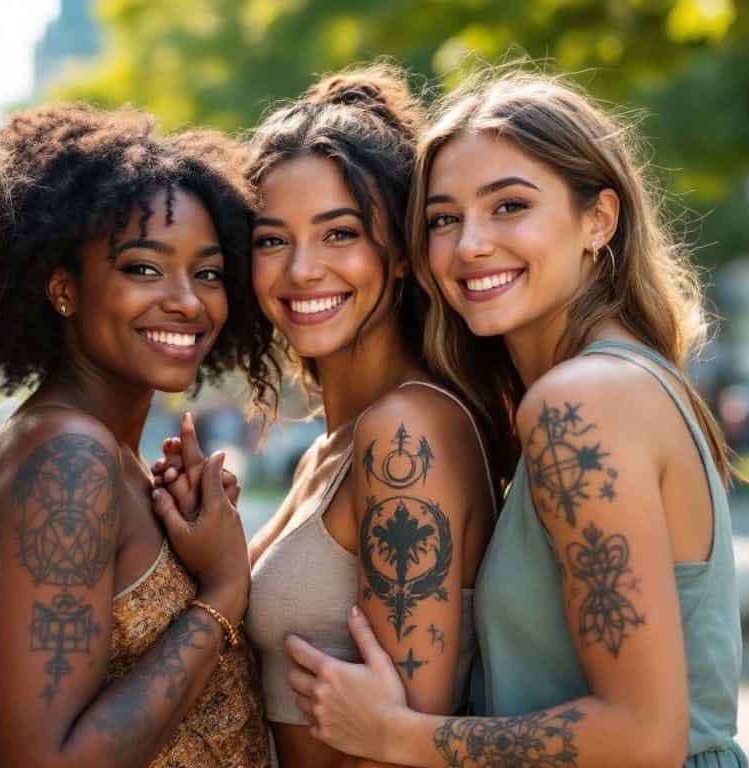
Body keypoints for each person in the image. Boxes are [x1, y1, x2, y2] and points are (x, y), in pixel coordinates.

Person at [285, 69, 747, 768]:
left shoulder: (581, 404)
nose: (469, 244)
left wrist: (396, 736)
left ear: (599, 219)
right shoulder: (613, 384)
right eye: (443, 219)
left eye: (509, 206)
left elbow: (643, 737)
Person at [154, 65, 508, 768]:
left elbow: (401, 743)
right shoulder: (335, 443)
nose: (302, 270)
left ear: (402, 255)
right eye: (272, 240)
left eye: (339, 234)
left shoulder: (406, 432)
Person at [0, 103, 277, 767]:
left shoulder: (98, 449)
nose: (187, 301)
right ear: (64, 288)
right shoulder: (69, 457)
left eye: (208, 273)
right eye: (143, 269)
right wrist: (221, 593)